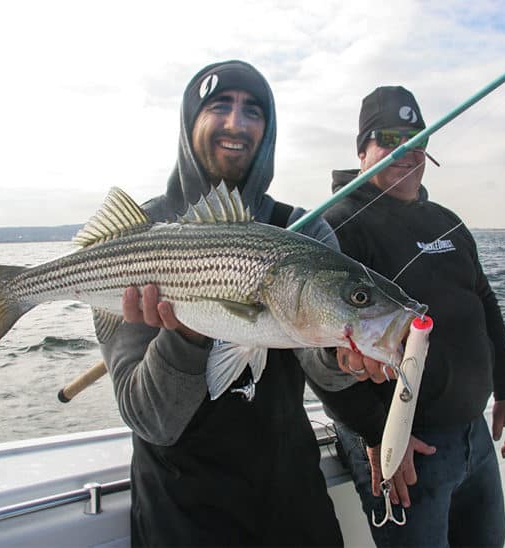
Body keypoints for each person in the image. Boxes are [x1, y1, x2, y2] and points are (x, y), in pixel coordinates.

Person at [100, 60, 344, 547]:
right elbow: (150, 419)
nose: (236, 123)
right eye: (219, 106)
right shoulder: (133, 238)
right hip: (179, 510)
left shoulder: (304, 230)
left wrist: (343, 356)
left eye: (253, 111)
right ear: (191, 122)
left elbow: (323, 369)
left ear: (268, 131)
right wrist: (188, 330)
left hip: (289, 497)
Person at [304, 86, 505, 547]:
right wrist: (380, 433)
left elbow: (485, 303)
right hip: (406, 451)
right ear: (362, 149)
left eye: (417, 136)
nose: (406, 150)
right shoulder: (337, 227)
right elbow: (315, 348)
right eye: (388, 138)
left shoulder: (448, 221)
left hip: (474, 436)